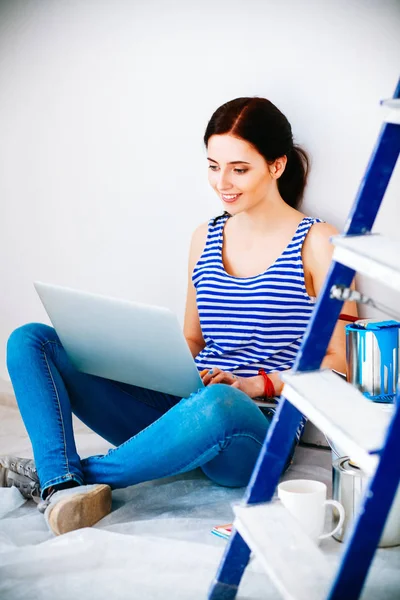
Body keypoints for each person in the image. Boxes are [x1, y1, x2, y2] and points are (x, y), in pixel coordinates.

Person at [0, 96, 356, 536]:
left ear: (276, 165)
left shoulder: (320, 242)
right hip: (184, 405)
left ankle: (58, 477)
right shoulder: (203, 237)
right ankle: (62, 485)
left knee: (220, 403)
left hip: (254, 422)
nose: (221, 182)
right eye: (212, 166)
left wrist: (255, 383)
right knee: (30, 340)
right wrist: (136, 361)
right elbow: (192, 341)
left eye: (238, 169)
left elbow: (343, 359)